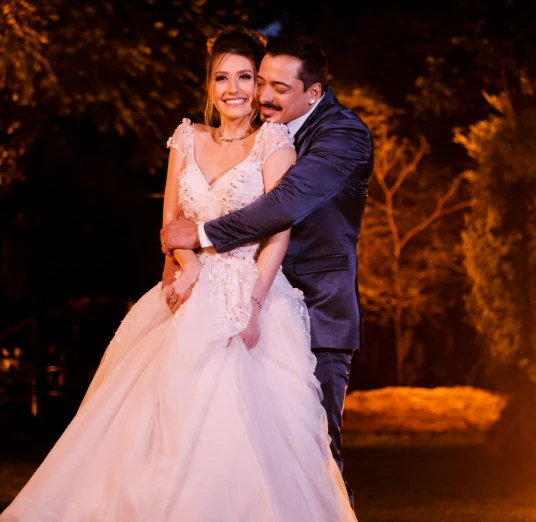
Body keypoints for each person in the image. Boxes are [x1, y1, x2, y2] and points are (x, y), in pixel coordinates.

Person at [1, 26, 357, 522]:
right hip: (186, 292)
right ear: (209, 85)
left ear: (259, 85)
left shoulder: (277, 140)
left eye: (246, 77)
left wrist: (251, 304)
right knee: (153, 424)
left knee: (244, 434)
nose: (233, 88)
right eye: (221, 77)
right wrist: (184, 268)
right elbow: (171, 224)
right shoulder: (186, 138)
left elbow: (280, 225)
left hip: (253, 293)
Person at [160, 34, 373, 505]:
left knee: (315, 459)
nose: (264, 96)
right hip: (229, 301)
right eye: (262, 82)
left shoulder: (344, 134)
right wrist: (181, 261)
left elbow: (286, 203)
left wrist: (199, 236)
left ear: (312, 94)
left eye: (278, 87)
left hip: (315, 308)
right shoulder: (238, 133)